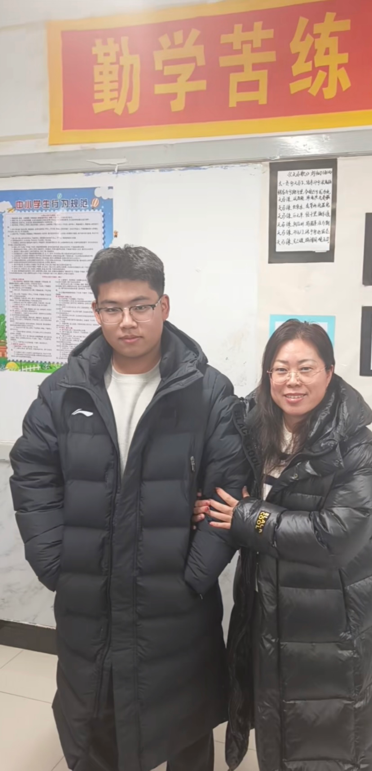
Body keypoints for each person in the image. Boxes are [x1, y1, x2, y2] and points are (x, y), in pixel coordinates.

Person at [10, 245, 247, 771]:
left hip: (175, 602)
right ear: (95, 312)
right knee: (94, 722)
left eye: (140, 306)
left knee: (183, 726)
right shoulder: (62, 391)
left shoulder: (207, 392)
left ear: (164, 306)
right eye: (112, 308)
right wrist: (55, 563)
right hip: (89, 596)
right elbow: (32, 475)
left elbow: (229, 489)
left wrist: (194, 576)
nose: (127, 321)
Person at [190, 320, 372, 771]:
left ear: (329, 372)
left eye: (306, 368)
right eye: (281, 368)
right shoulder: (252, 430)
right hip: (265, 608)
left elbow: (336, 535)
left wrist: (248, 517)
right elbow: (228, 495)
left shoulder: (355, 443)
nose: (292, 381)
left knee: (339, 732)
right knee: (279, 725)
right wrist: (205, 507)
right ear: (268, 374)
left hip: (331, 620)